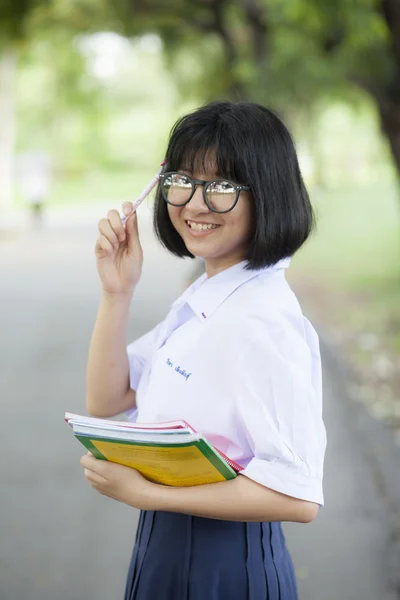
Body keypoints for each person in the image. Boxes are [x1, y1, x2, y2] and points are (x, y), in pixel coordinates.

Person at [80, 100, 327, 600]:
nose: (194, 204)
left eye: (220, 188)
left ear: (268, 196)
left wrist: (146, 493)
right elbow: (109, 401)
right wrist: (116, 291)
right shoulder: (207, 297)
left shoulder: (259, 321)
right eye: (182, 181)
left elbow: (297, 494)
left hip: (222, 568)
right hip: (168, 553)